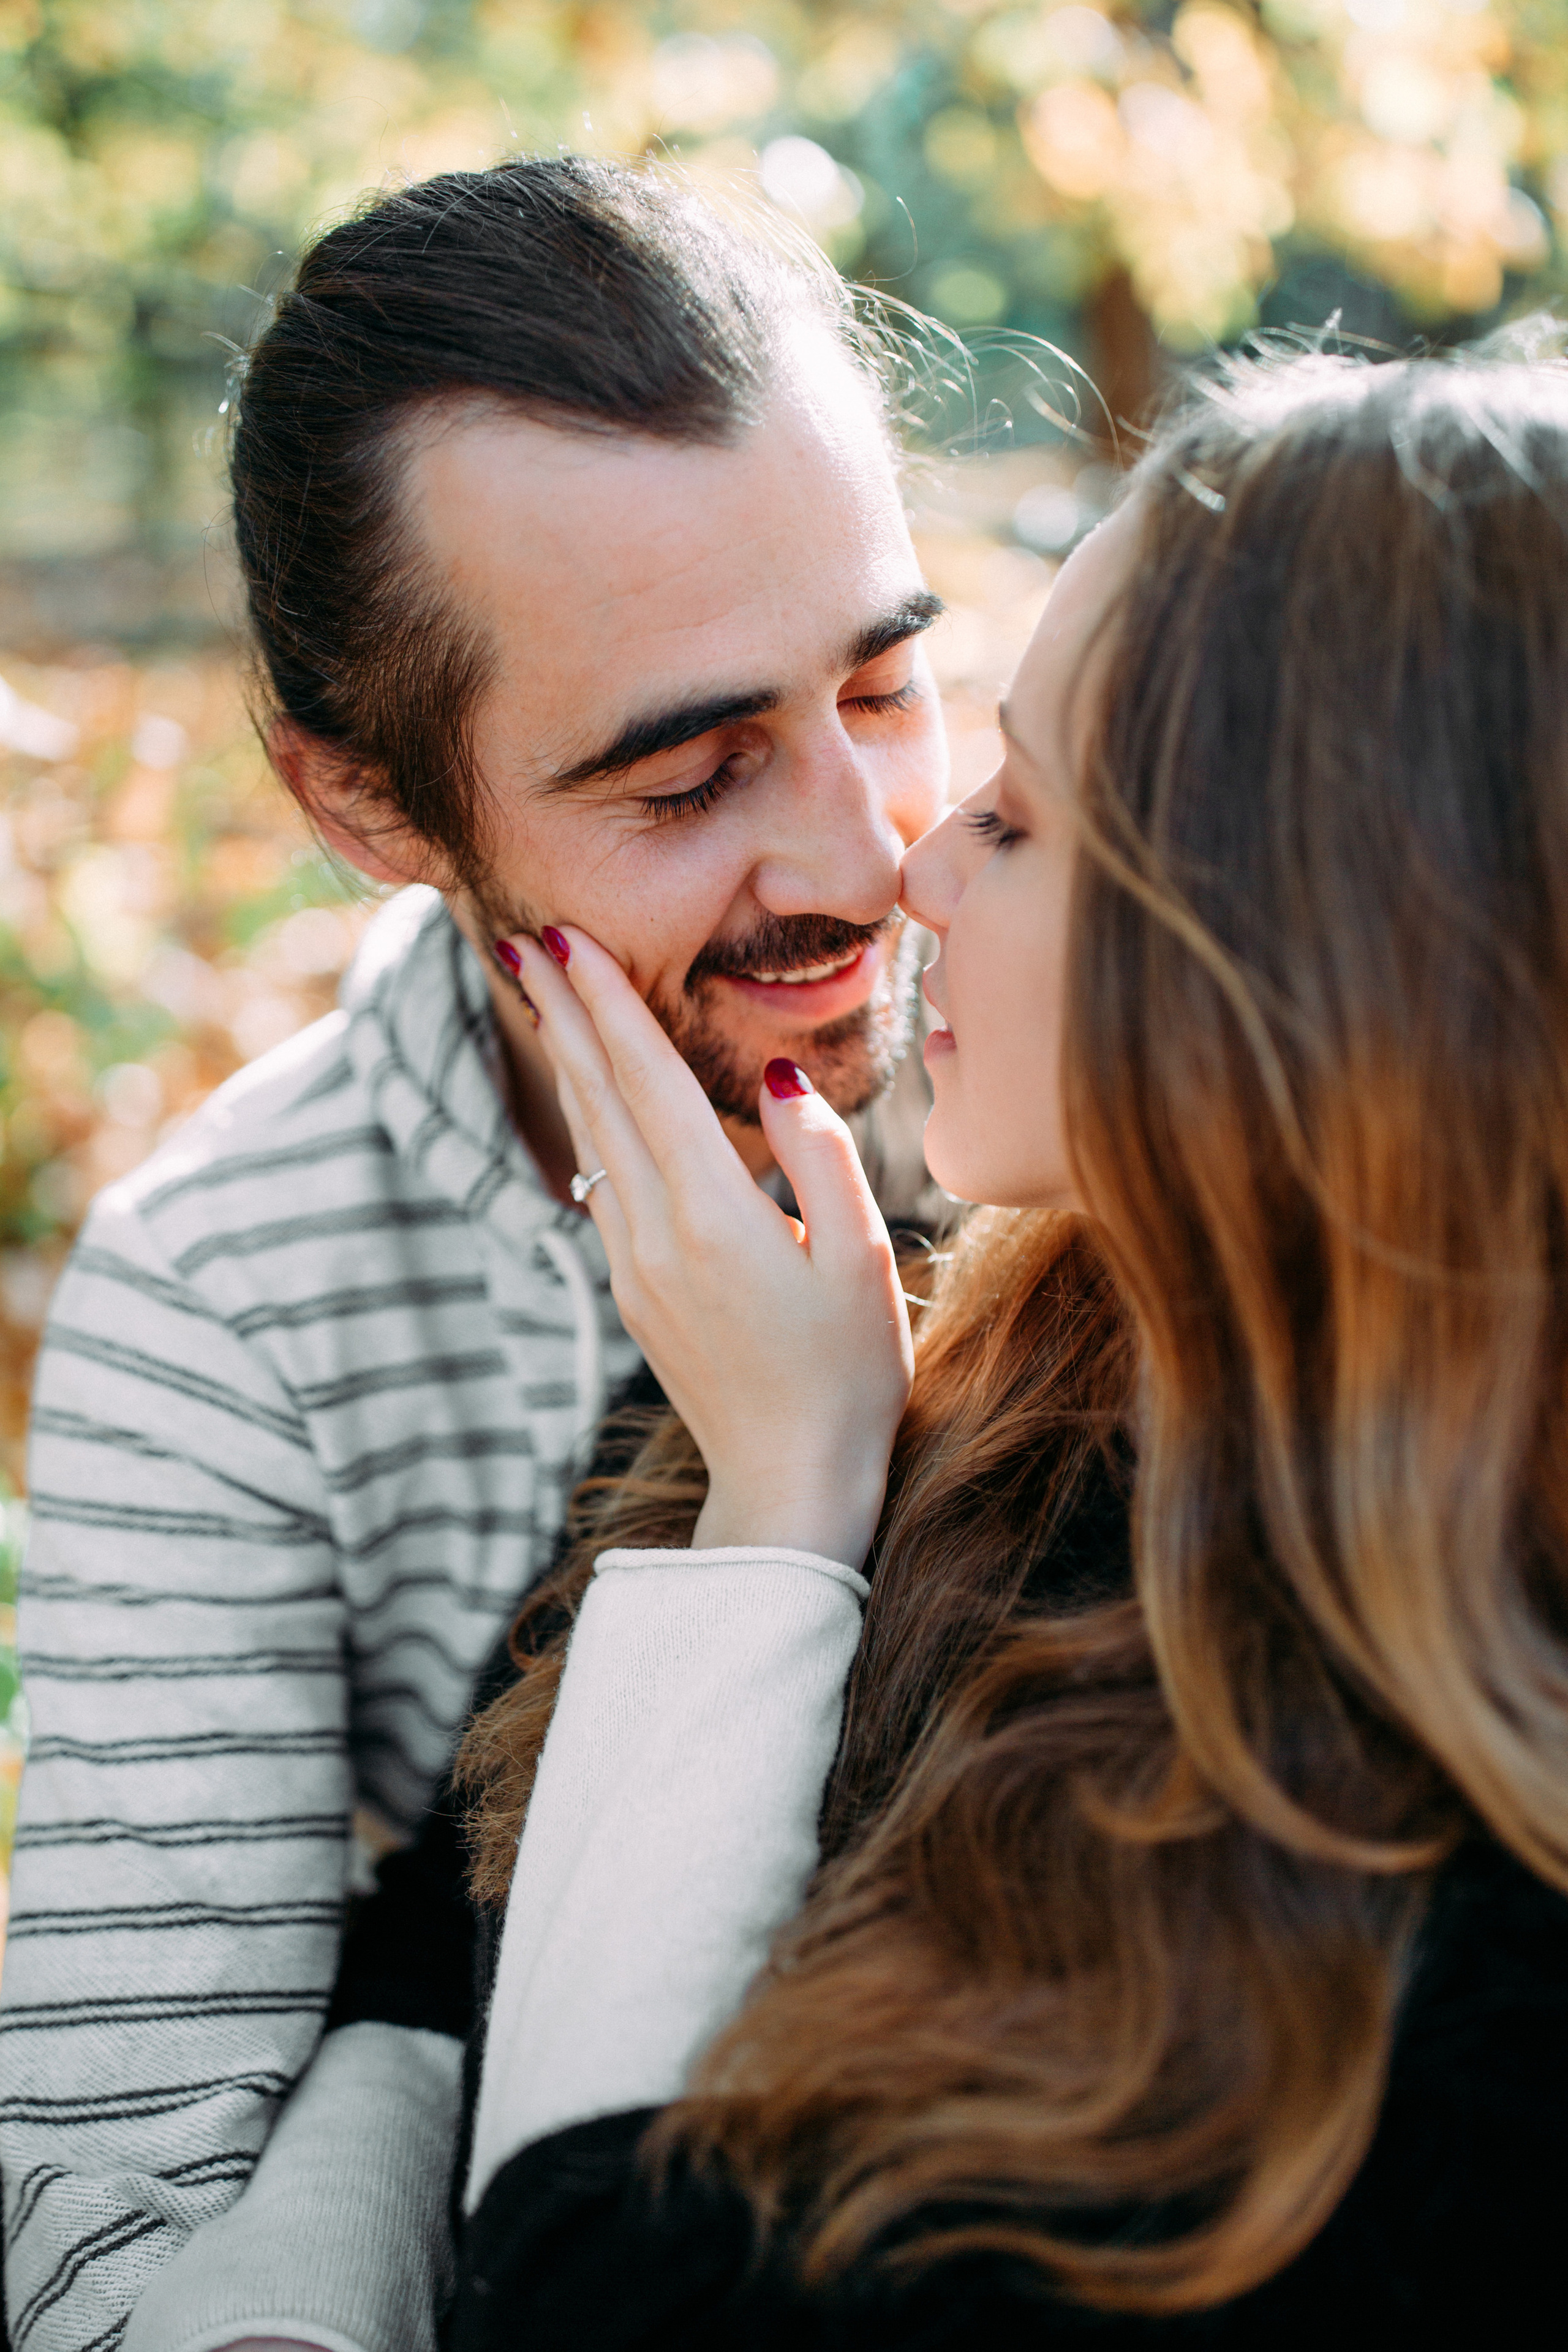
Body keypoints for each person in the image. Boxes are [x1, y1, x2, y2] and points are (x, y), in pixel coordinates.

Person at [448, 335, 1568, 2345]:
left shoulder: (1470, 2011)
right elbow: (438, 1933)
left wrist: (794, 1501)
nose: (909, 864)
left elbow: (586, 2293)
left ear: (1316, 970)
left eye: (1024, 819)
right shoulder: (954, 1317)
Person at [0, 156, 952, 2352]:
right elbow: (124, 2218)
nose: (867, 855)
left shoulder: (1114, 1109)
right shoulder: (228, 1299)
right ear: (369, 810)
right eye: (690, 777)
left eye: (887, 689)